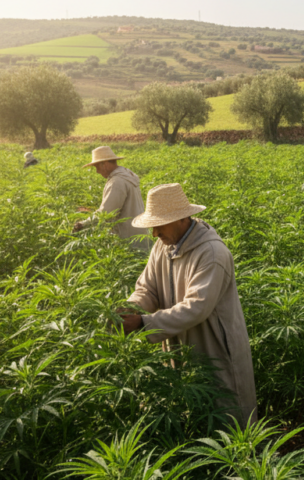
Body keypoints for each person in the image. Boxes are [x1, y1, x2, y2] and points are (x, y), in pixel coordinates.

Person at [119, 183, 258, 426]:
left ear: (181, 219)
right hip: (178, 343)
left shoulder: (212, 253)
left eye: (159, 224)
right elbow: (147, 288)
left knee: (227, 416)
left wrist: (143, 322)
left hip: (213, 345)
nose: (154, 233)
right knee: (190, 410)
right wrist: (132, 307)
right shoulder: (163, 247)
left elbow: (197, 307)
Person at [74, 146, 150, 252]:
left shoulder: (117, 182)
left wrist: (83, 224)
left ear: (104, 164)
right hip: (139, 233)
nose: (97, 172)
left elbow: (107, 213)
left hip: (128, 239)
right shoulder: (127, 174)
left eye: (97, 167)